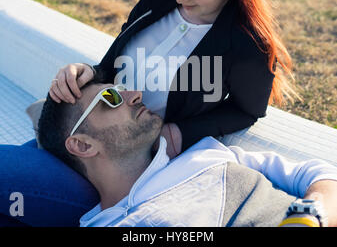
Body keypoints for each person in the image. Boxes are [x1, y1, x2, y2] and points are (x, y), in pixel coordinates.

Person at [49, 0, 298, 158]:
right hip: (93, 138)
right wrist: (87, 73)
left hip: (140, 162)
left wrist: (178, 134)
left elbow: (246, 111)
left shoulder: (250, 43)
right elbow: (114, 64)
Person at [35, 82, 337, 227]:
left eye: (123, 88)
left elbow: (318, 174)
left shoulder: (207, 153)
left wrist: (311, 216)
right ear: (83, 145)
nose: (134, 95)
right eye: (110, 98)